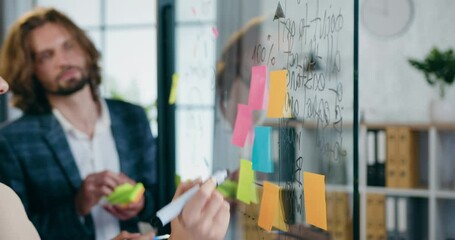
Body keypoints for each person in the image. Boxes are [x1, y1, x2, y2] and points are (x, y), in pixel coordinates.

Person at [0, 7, 229, 240]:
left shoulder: (133, 117)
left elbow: (160, 197)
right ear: (30, 70)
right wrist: (77, 207)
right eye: (46, 55)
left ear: (84, 48)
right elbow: (13, 229)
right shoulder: (12, 140)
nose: (63, 61)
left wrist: (141, 203)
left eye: (68, 46)